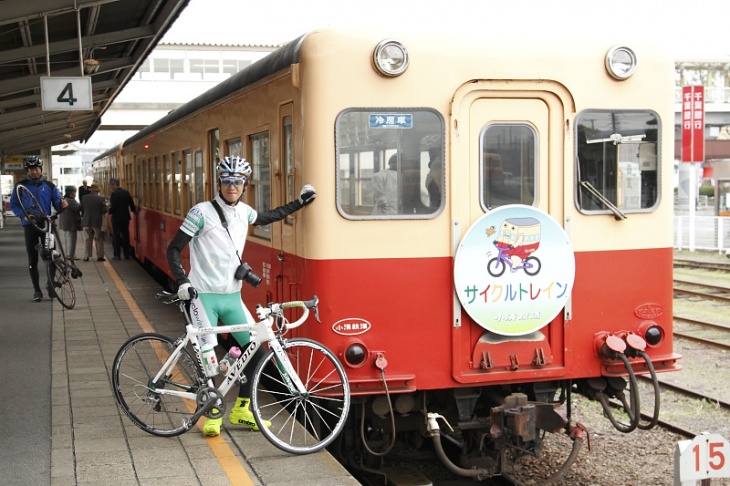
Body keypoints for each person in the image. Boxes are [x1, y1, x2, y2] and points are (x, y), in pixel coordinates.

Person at [166, 155, 316, 437]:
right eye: (227, 180)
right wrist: (183, 281)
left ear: (245, 184)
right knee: (209, 359)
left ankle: (242, 409)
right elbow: (173, 249)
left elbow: (269, 216)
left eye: (238, 181)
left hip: (232, 295)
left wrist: (300, 203)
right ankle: (211, 414)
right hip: (203, 296)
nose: (232, 186)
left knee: (258, 351)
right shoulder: (200, 212)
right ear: (219, 182)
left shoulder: (245, 212)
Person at [8, 156, 68, 302]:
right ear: (27, 171)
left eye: (36, 169)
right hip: (30, 226)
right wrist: (24, 215)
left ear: (41, 170)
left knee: (52, 255)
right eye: (31, 170)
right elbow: (13, 205)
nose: (34, 172)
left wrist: (63, 205)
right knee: (32, 258)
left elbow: (57, 203)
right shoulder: (20, 186)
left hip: (46, 224)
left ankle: (50, 285)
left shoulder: (50, 186)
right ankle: (37, 290)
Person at [108, 178, 136, 260]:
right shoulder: (126, 192)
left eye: (111, 185)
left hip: (116, 218)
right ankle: (127, 254)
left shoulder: (114, 194)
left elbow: (113, 206)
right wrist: (133, 210)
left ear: (114, 185)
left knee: (116, 236)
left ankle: (117, 255)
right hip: (125, 218)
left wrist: (109, 211)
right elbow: (131, 203)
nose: (111, 187)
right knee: (125, 236)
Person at [81, 183, 108, 262]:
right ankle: (100, 256)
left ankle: (86, 256)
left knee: (87, 239)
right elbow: (104, 210)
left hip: (86, 221)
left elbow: (82, 208)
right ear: (97, 191)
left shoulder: (84, 198)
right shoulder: (101, 198)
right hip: (97, 221)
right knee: (99, 239)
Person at [58, 185, 81, 260]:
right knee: (71, 239)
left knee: (67, 238)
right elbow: (78, 208)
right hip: (71, 223)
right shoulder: (71, 200)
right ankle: (70, 255)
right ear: (72, 193)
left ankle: (68, 254)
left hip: (65, 222)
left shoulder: (64, 199)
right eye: (75, 192)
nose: (75, 194)